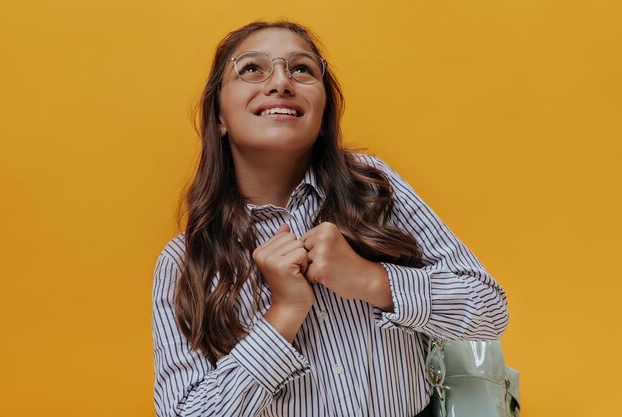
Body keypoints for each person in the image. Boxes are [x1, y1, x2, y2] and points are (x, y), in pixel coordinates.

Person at [152, 20, 508, 417]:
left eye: (302, 68)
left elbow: (489, 311)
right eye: (251, 68)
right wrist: (283, 313)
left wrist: (373, 280)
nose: (281, 82)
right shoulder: (185, 261)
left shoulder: (374, 189)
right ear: (218, 116)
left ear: (323, 113)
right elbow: (187, 412)